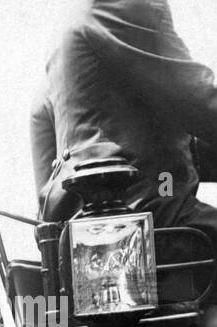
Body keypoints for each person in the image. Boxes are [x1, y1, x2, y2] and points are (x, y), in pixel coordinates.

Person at [32, 0, 217, 253]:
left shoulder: (70, 27)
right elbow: (197, 102)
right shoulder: (121, 5)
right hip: (146, 221)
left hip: (80, 236)